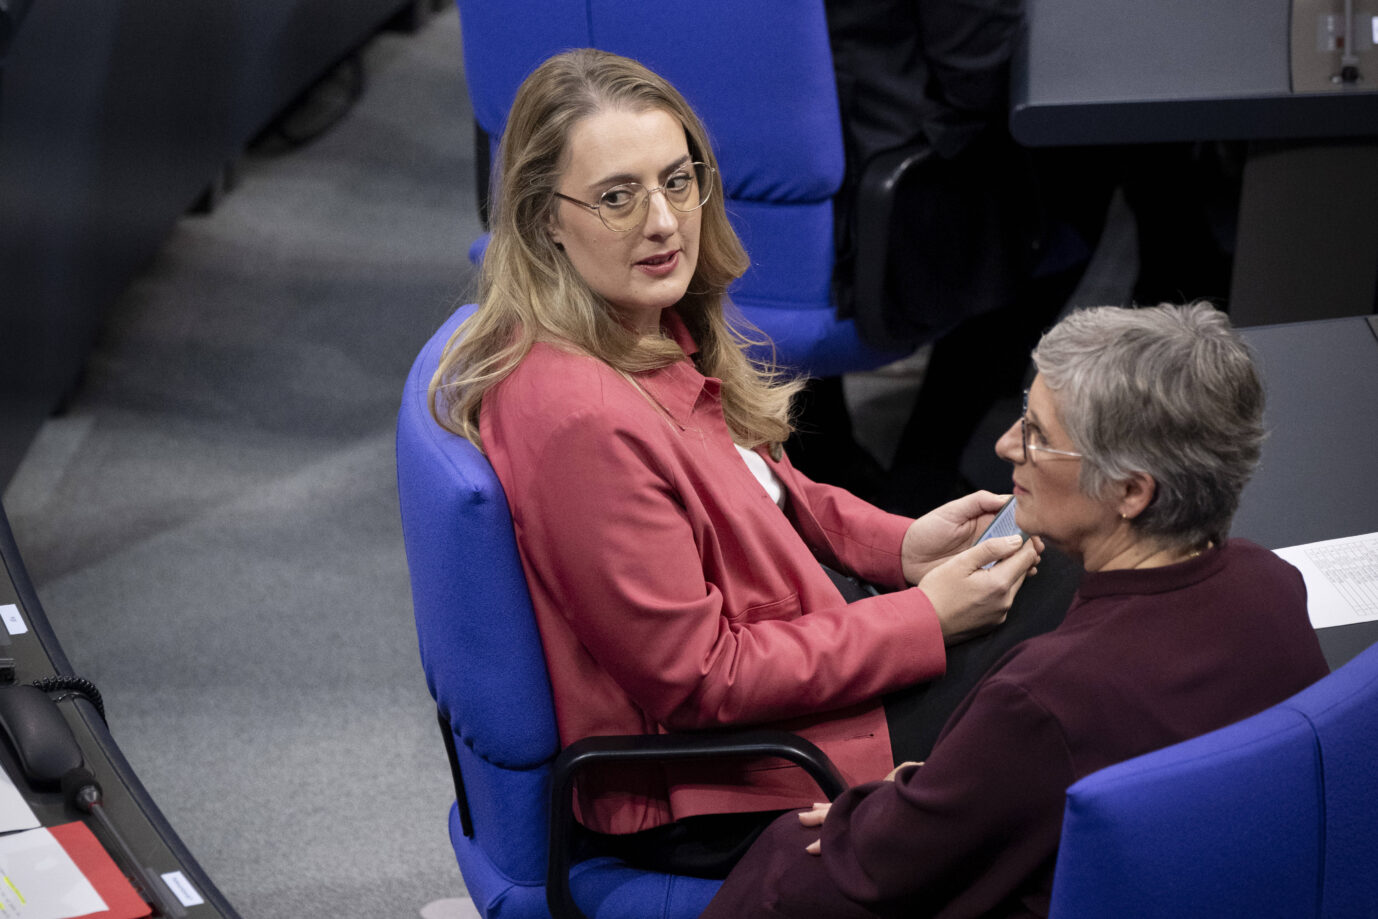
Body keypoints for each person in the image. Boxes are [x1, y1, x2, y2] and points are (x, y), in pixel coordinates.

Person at [428, 48, 1069, 874]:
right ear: (543, 217)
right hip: (732, 781)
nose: (662, 221)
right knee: (1078, 617)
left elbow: (765, 489)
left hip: (803, 665)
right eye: (618, 197)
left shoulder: (638, 323)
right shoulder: (582, 419)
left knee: (1066, 573)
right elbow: (702, 680)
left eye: (677, 180)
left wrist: (902, 547)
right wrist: (923, 617)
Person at [701, 302, 1331, 918]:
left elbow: (879, 864)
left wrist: (882, 806)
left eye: (1037, 435)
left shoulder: (1045, 700)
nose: (1006, 445)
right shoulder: (1272, 585)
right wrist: (963, 785)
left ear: (1131, 491)